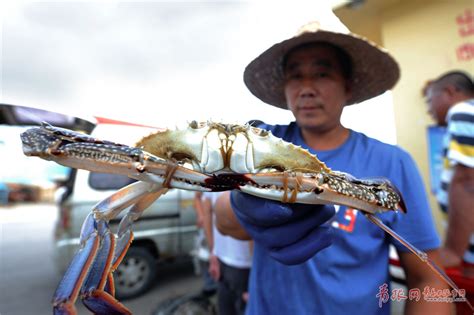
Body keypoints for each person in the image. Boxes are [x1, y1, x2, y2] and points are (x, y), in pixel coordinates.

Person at [214, 18, 451, 315]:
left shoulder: (391, 162)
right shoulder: (264, 144)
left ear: (347, 86)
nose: (307, 88)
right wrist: (240, 204)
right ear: (285, 87)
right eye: (295, 76)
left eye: (322, 73)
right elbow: (224, 219)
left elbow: (429, 279)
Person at [423, 71, 474, 271]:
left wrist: (453, 250)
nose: (429, 109)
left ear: (449, 92)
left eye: (429, 101)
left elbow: (468, 181)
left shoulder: (462, 111)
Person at [202, 191, 252, 315]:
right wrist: (213, 253)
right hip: (238, 263)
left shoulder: (209, 175)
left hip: (240, 263)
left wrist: (213, 253)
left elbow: (206, 213)